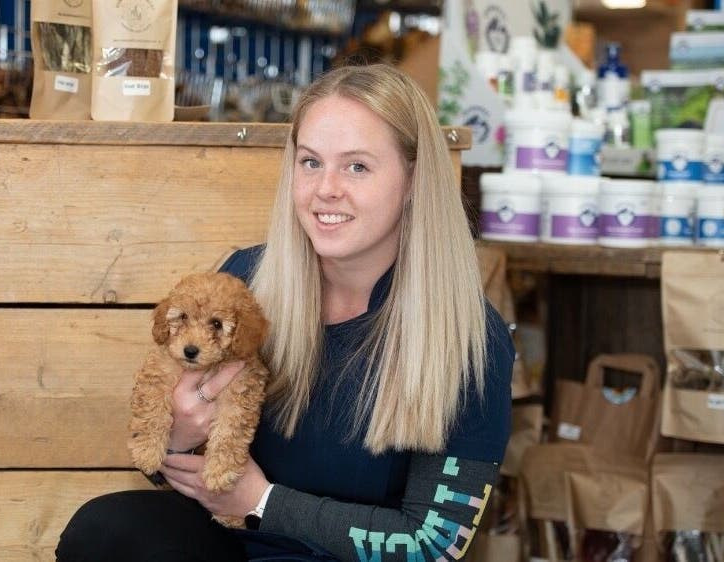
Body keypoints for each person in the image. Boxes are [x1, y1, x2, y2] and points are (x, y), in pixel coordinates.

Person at [56, 62, 514, 562]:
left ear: (413, 180)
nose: (326, 189)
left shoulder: (471, 339)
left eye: (357, 166)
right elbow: (173, 460)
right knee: (106, 532)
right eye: (311, 162)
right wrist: (178, 437)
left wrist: (262, 502)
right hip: (232, 543)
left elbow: (434, 544)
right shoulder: (246, 282)